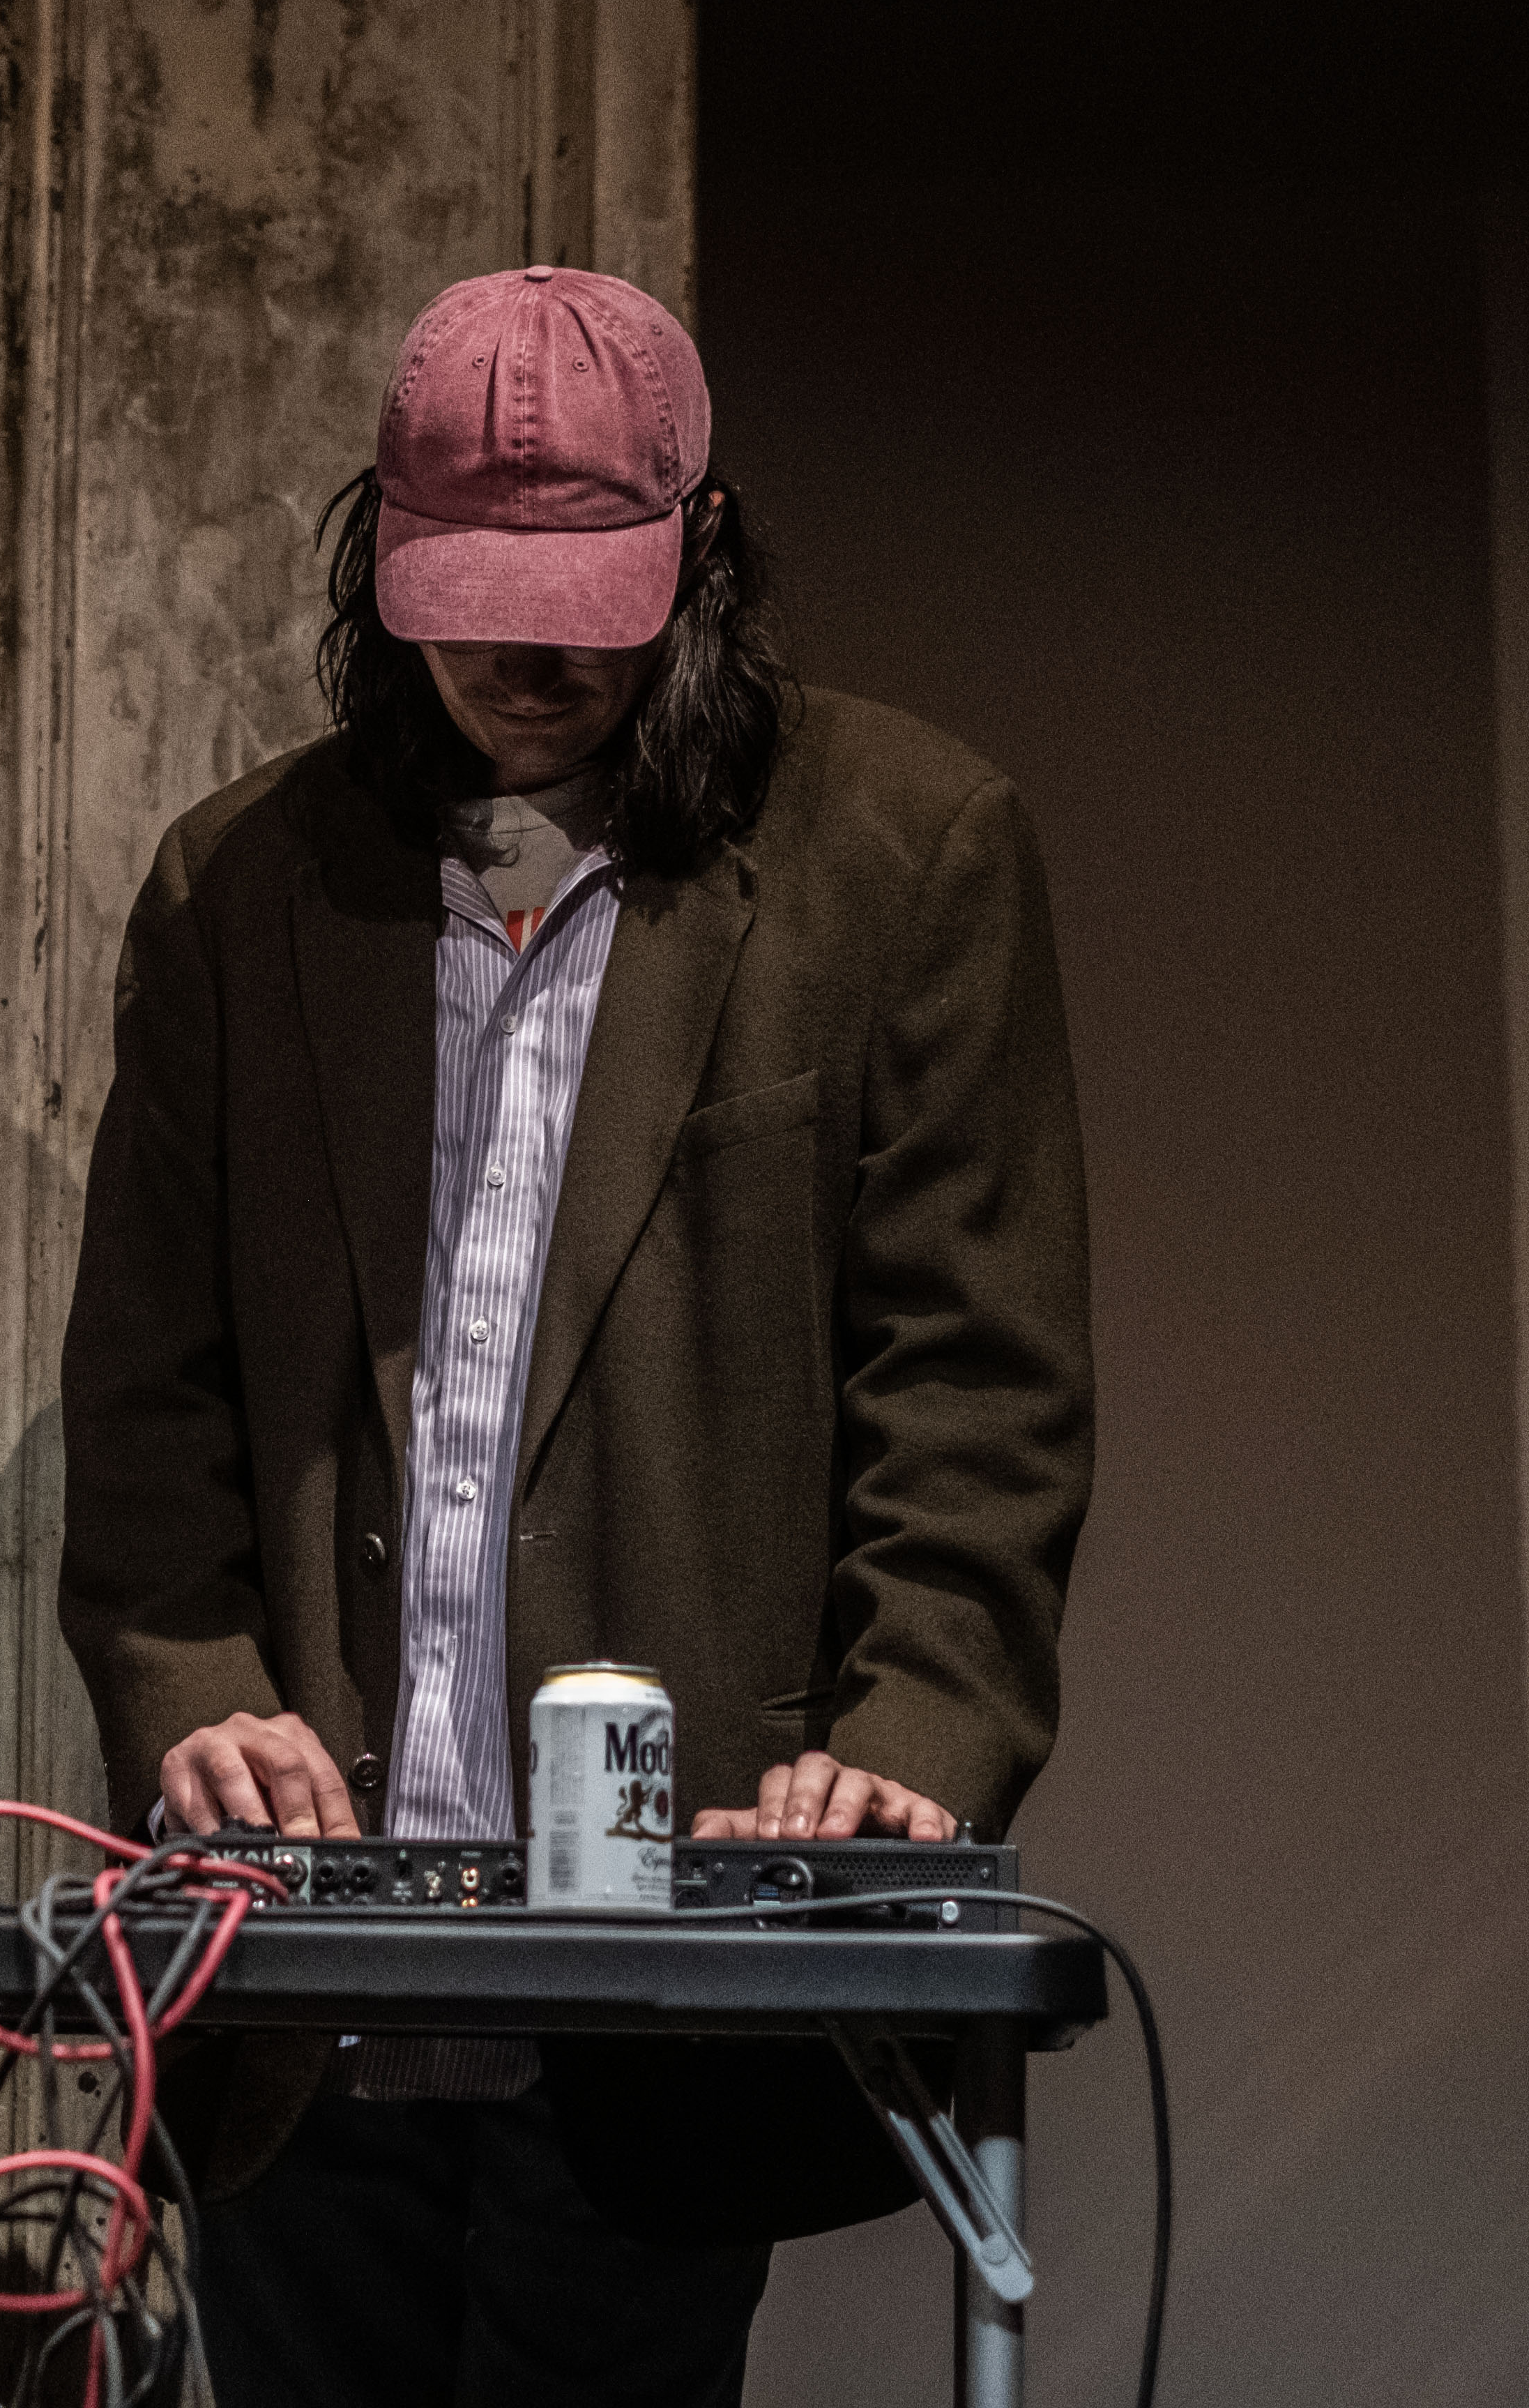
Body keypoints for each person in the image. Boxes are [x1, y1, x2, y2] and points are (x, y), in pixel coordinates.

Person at [56, 264, 1095, 2406]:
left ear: (704, 553)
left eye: (590, 598)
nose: (527, 659)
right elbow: (148, 1393)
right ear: (378, 556)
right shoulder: (239, 891)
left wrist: (905, 1743)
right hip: (310, 1953)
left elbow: (975, 1391)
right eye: (469, 596)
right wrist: (190, 1694)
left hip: (668, 1954)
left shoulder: (903, 858)